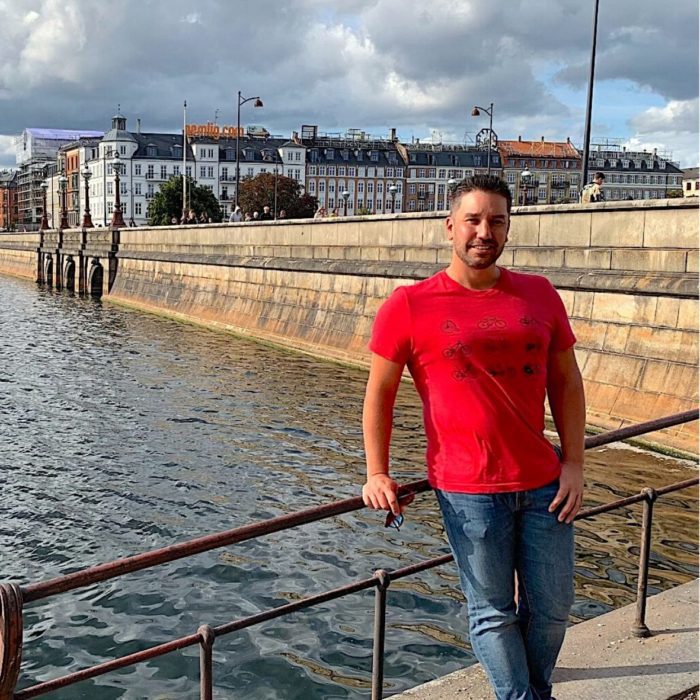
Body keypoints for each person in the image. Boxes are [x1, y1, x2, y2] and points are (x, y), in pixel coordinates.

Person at [362, 174, 585, 700]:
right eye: (474, 220)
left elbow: (567, 383)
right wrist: (377, 471)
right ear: (450, 228)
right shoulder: (409, 304)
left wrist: (574, 461)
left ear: (508, 229)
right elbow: (379, 396)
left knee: (553, 609)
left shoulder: (539, 293)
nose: (485, 231)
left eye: (497, 221)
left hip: (544, 481)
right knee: (492, 612)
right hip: (468, 490)